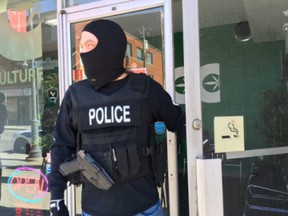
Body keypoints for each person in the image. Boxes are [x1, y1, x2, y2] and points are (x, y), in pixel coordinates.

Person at [48, 19, 186, 216]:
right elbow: (61, 147)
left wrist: (206, 141)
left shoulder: (145, 89)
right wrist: (56, 198)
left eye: (90, 45)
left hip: (144, 208)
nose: (83, 52)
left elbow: (181, 122)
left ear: (110, 46)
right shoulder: (75, 96)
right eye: (81, 46)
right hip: (94, 210)